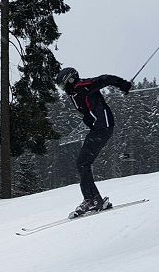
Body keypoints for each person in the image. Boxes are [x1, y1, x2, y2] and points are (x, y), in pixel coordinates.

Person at [55, 67, 132, 218]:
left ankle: (91, 200)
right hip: (98, 128)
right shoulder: (74, 93)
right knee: (83, 163)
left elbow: (105, 78)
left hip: (103, 127)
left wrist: (122, 84)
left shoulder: (82, 86)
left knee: (82, 163)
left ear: (70, 79)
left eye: (63, 85)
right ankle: (93, 199)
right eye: (61, 87)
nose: (63, 89)